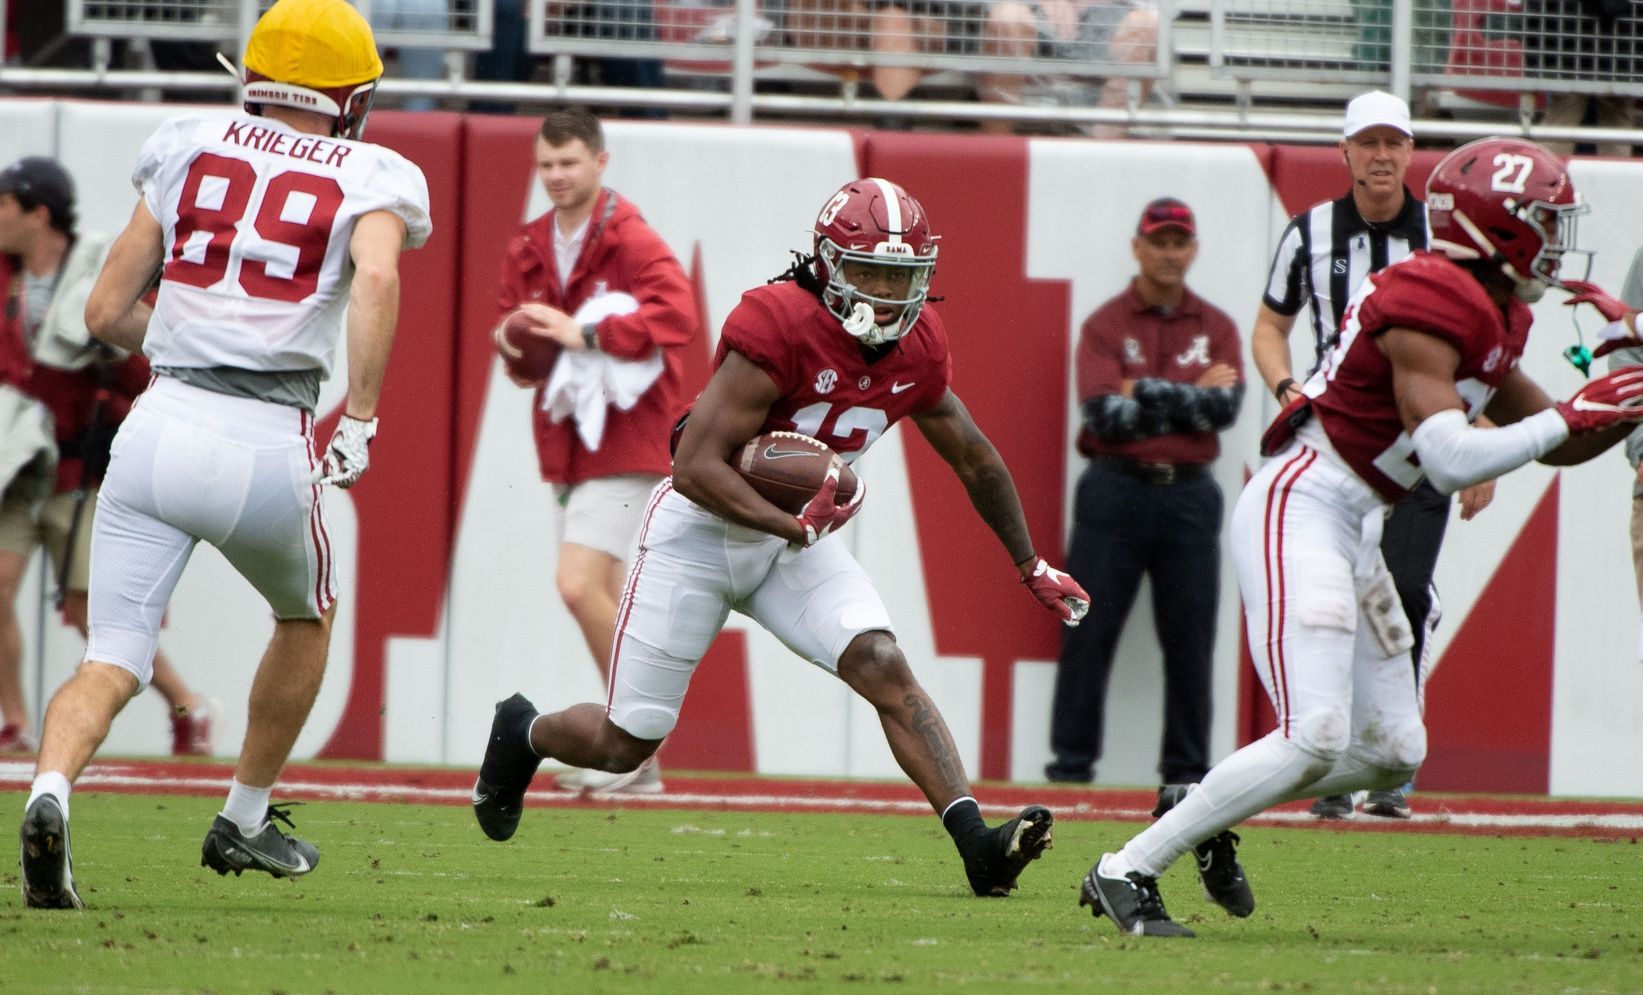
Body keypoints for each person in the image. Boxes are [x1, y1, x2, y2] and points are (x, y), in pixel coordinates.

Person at [1080, 136, 1643, 938]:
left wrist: (1620, 392)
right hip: (1302, 502)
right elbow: (1449, 458)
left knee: (1392, 749)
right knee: (1312, 734)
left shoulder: (1495, 311)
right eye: (1542, 222)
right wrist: (1573, 412)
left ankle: (1199, 806)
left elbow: (1555, 435)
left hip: (1356, 524)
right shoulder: (1428, 296)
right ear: (1496, 226)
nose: (1556, 241)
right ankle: (1125, 868)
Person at [473, 176, 1091, 898]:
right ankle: (523, 731)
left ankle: (978, 846)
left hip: (790, 541)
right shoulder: (778, 321)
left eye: (902, 274)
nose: (888, 292)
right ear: (827, 263)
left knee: (882, 662)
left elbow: (974, 455)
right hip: (699, 534)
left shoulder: (918, 346)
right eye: (868, 271)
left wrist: (1030, 562)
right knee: (625, 742)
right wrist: (787, 522)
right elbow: (693, 464)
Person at [17, 0, 431, 910]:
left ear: (252, 76)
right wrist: (360, 413)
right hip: (263, 437)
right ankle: (242, 814)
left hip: (159, 422)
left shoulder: (189, 142)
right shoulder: (372, 169)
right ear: (346, 96)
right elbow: (378, 277)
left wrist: (186, 342)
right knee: (306, 616)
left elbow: (101, 313)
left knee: (113, 656)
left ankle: (48, 790)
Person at [1251, 90, 1495, 821]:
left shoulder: (1446, 238)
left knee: (1404, 588)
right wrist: (1286, 385)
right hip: (1339, 442)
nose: (1382, 156)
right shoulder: (1310, 233)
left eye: (1394, 143)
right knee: (1330, 603)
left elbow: (1480, 347)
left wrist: (1477, 438)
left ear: (1410, 152)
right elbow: (1270, 324)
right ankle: (1337, 766)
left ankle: (1388, 763)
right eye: (1369, 142)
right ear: (1345, 151)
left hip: (1422, 439)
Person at [492, 107, 695, 797]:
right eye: (546, 164)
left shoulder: (630, 236)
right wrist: (517, 347)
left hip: (630, 436)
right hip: (572, 442)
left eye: (569, 162)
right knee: (604, 594)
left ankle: (633, 744)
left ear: (600, 161)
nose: (555, 176)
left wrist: (583, 335)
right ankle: (636, 758)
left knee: (578, 584)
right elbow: (520, 353)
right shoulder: (528, 244)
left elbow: (679, 316)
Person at [0, 155, 216, 759]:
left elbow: (143, 363)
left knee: (90, 608)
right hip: (14, 465)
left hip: (76, 461)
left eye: (4, 205)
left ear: (39, 213)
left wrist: (115, 406)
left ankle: (185, 704)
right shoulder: (4, 277)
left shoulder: (95, 270)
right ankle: (15, 722)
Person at [1045, 197, 1241, 796]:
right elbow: (1104, 416)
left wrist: (1140, 390)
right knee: (1087, 631)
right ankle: (1070, 771)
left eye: (1180, 242)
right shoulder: (1106, 323)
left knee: (1191, 639)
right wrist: (1187, 395)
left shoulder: (1218, 326)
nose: (1169, 253)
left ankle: (1186, 779)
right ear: (1138, 247)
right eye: (1159, 242)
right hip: (1114, 490)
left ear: (1194, 250)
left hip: (1189, 496)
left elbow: (1225, 409)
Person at [976, 0, 1159, 137]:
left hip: (1104, 36)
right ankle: (999, 146)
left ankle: (1104, 150)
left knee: (1146, 24)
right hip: (1025, 29)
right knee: (1009, 16)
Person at [1522, 0, 1639, 158]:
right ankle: (1616, 180)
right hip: (1618, 58)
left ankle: (1548, 178)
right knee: (1616, 128)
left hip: (1566, 56)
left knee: (1560, 122)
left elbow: (1537, 14)